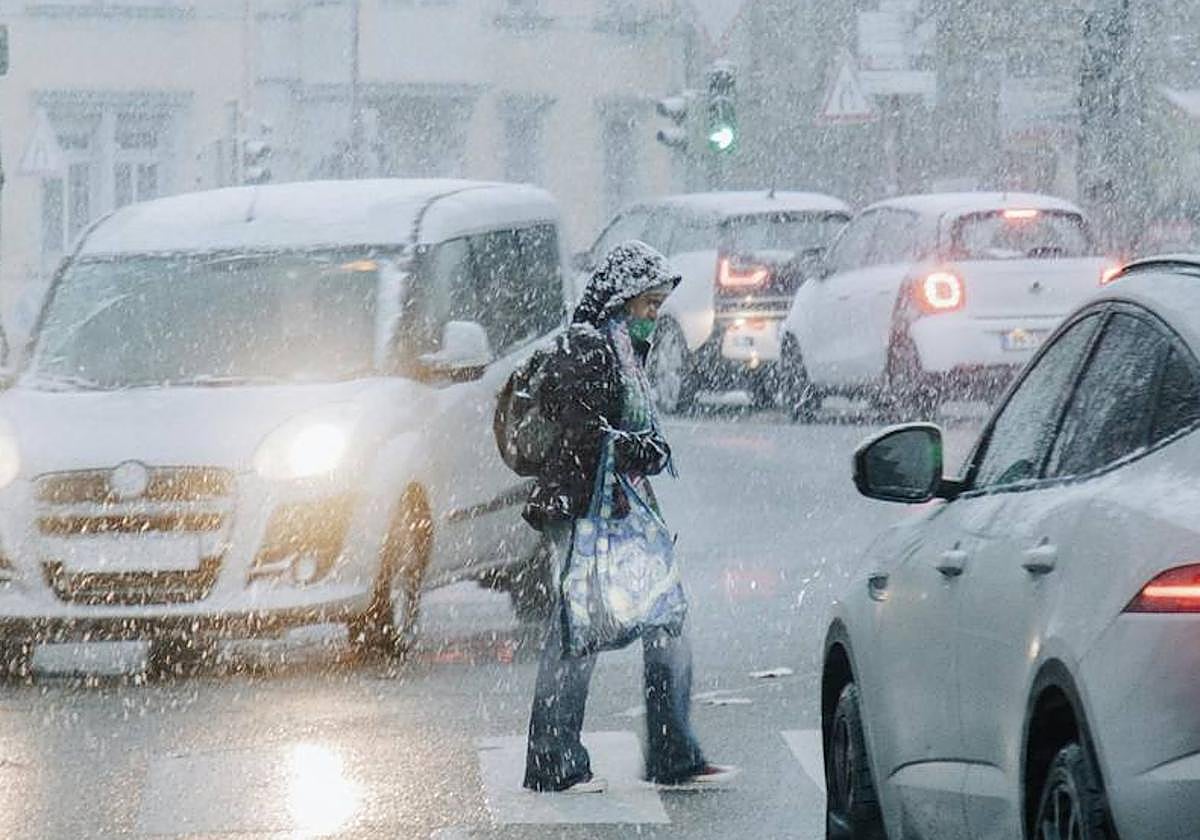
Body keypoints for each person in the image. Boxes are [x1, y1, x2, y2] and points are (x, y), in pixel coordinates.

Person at [520, 240, 738, 794]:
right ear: (619, 301)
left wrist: (642, 452)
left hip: (623, 511)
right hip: (585, 512)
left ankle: (673, 753)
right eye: (647, 307)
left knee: (666, 623)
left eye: (657, 308)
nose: (651, 319)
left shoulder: (621, 349)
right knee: (577, 634)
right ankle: (553, 760)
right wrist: (640, 450)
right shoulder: (588, 348)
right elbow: (580, 434)